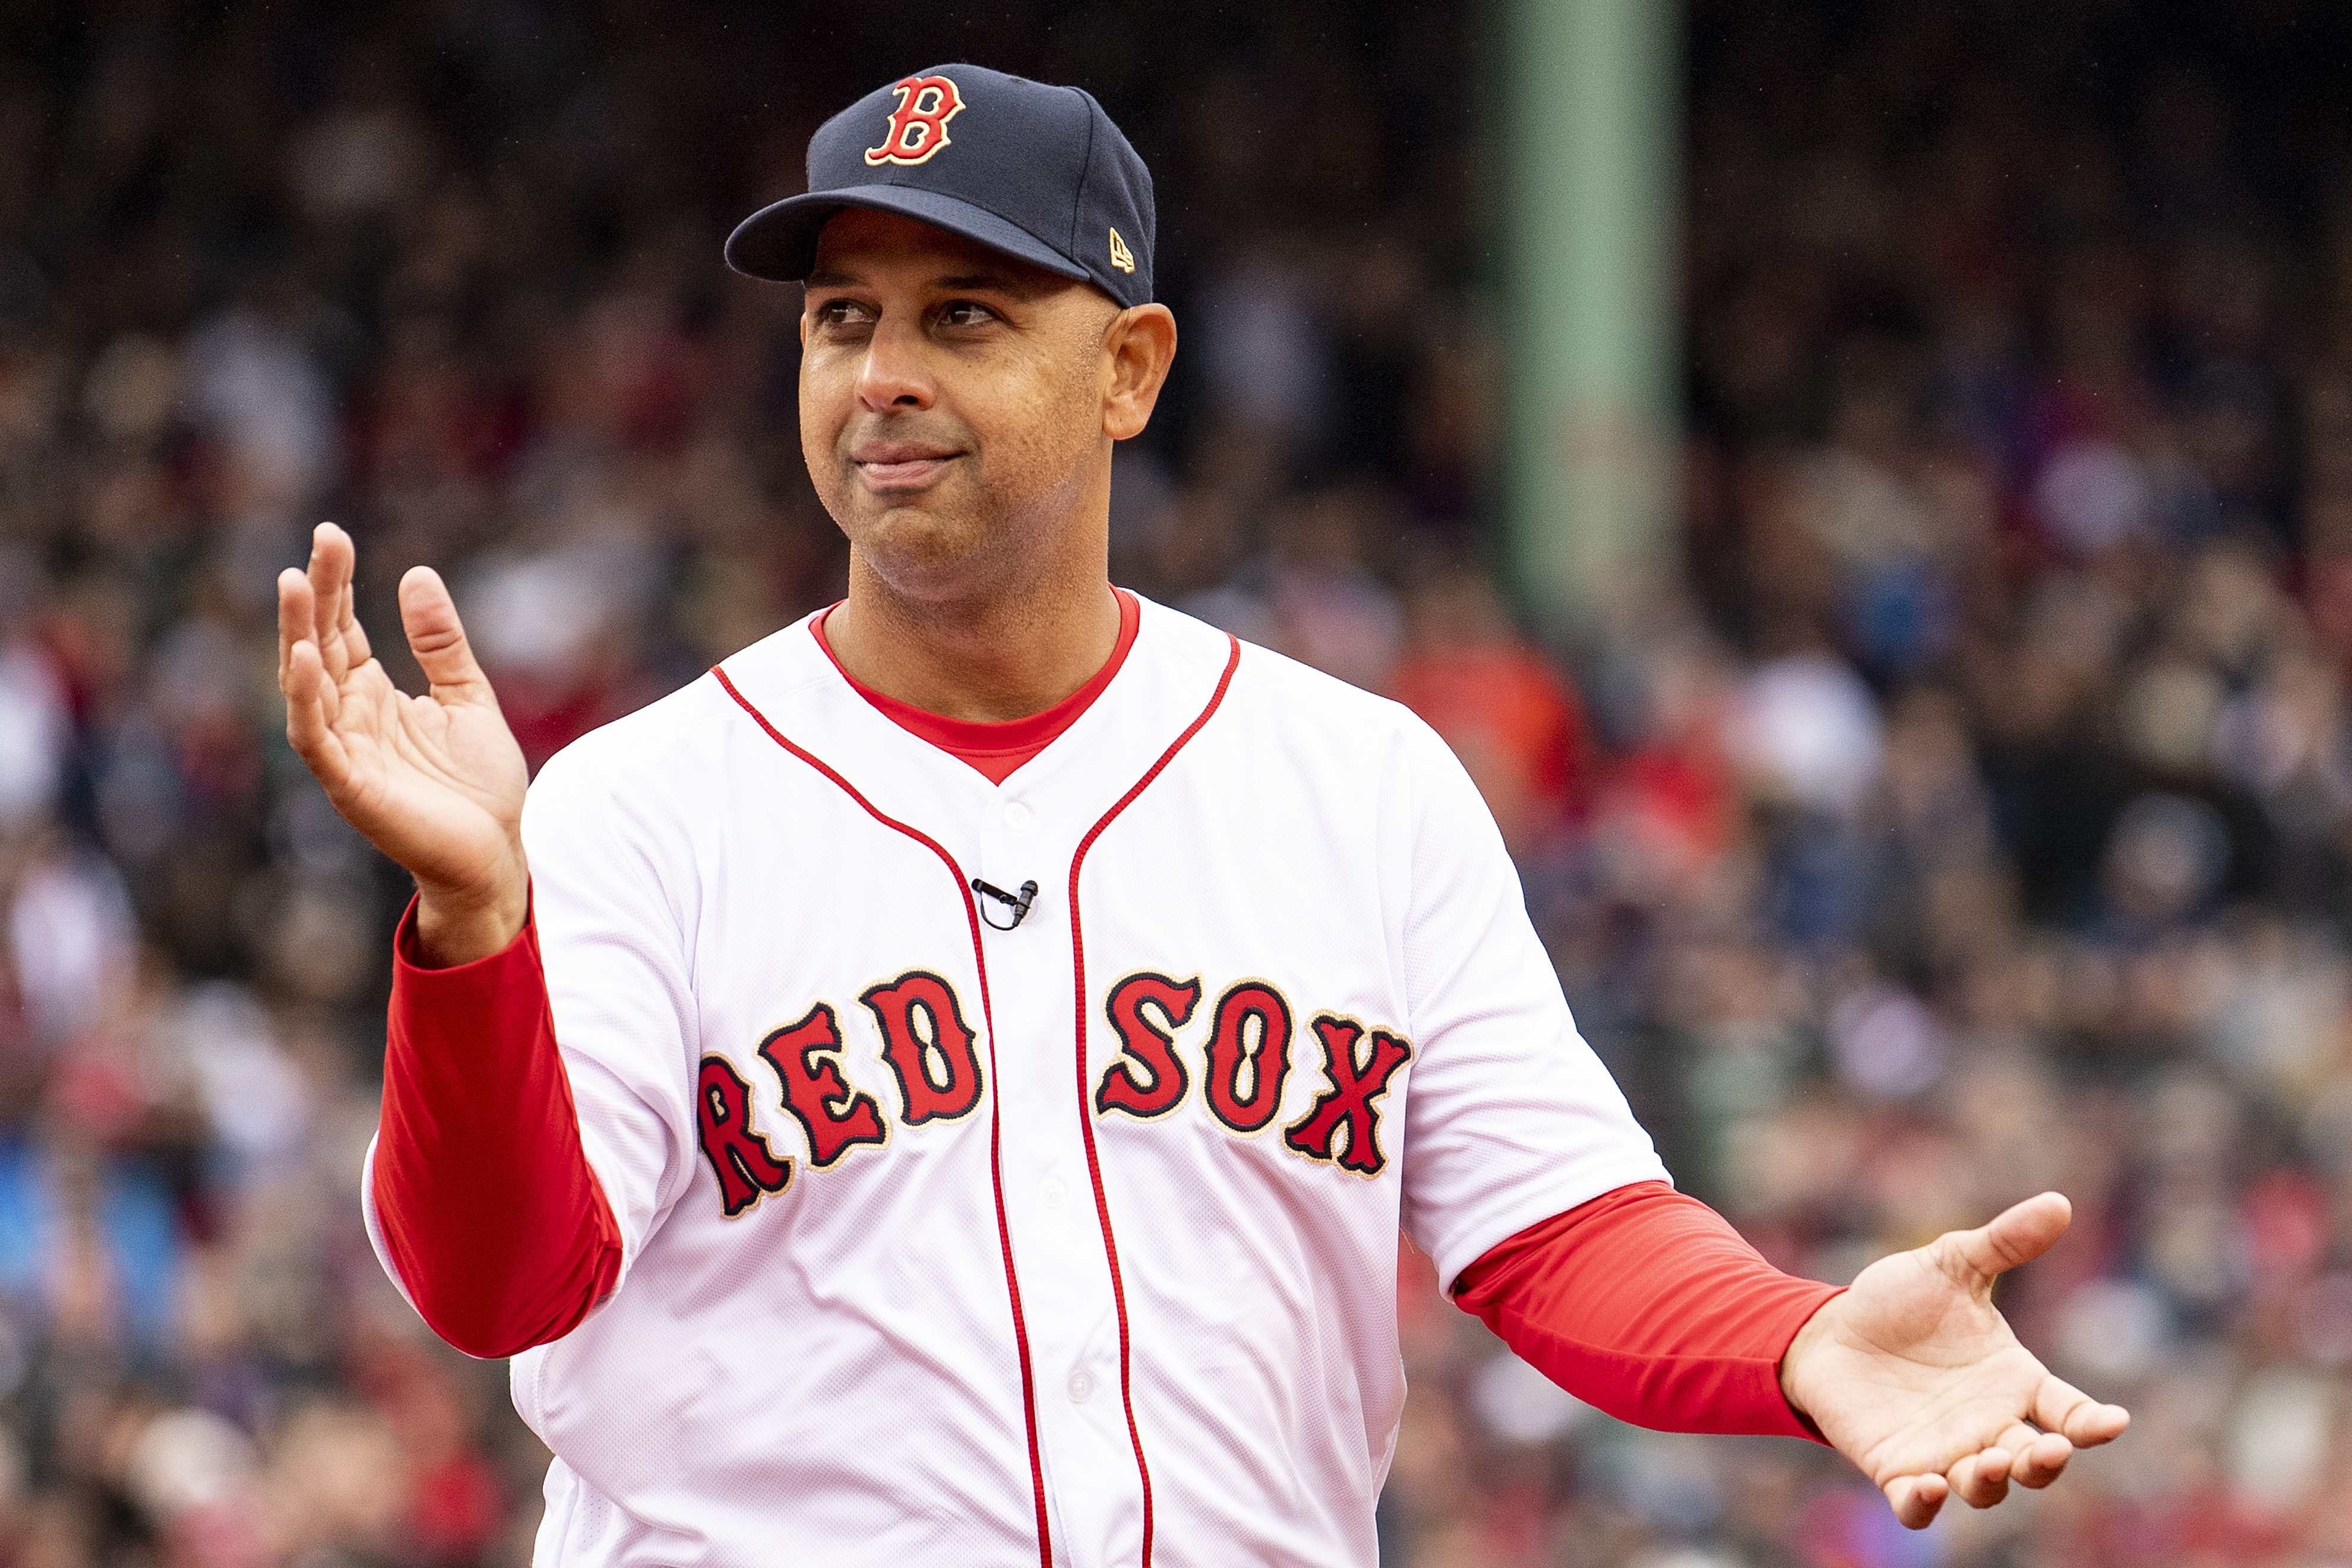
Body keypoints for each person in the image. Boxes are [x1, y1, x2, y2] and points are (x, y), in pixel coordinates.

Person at [276, 64, 2125, 1567]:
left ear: (1132, 370)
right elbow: (503, 1288)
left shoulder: (1354, 782)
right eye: (844, 319)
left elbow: (1562, 1234)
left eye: (965, 315)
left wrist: (1793, 1339)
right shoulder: (635, 805)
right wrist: (468, 940)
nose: (881, 375)